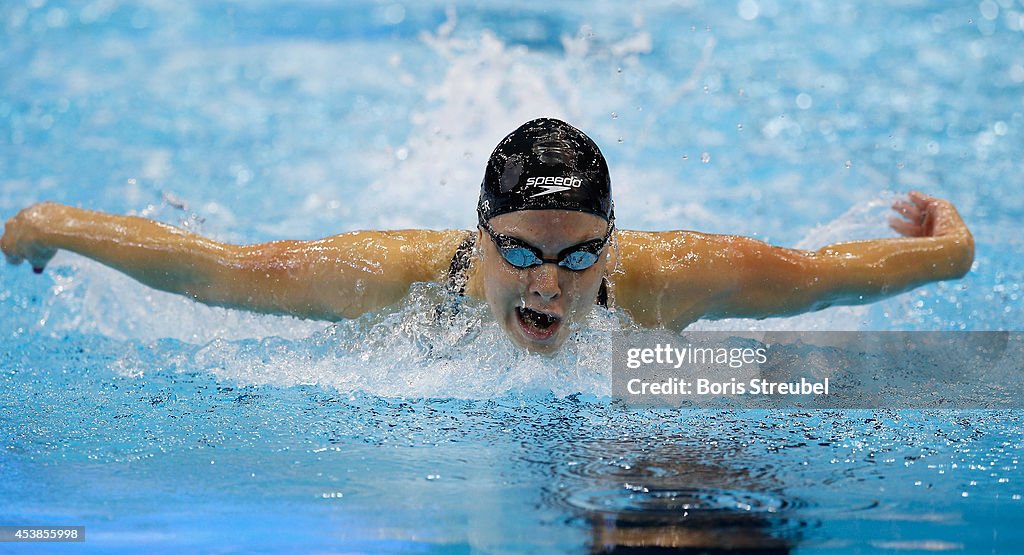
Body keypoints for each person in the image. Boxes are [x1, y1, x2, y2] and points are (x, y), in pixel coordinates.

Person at [1, 118, 974, 354]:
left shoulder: (669, 282)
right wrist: (49, 225)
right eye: (521, 249)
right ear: (479, 235)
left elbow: (827, 276)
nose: (549, 283)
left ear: (611, 240)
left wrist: (950, 247)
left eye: (578, 254)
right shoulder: (384, 278)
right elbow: (211, 269)